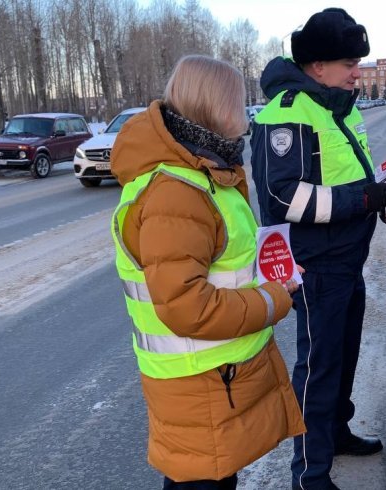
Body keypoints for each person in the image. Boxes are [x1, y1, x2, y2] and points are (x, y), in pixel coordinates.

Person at [110, 55, 305, 489]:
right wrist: (273, 298)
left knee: (215, 480)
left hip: (214, 381)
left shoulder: (206, 174)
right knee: (202, 483)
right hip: (200, 385)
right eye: (239, 102)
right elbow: (186, 307)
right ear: (215, 107)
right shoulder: (176, 193)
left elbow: (224, 261)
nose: (246, 113)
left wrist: (275, 271)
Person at [249, 8, 386, 490]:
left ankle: (335, 433)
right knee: (317, 369)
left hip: (346, 260)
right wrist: (362, 198)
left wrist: (380, 191)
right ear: (317, 65)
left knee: (343, 358)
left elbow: (345, 173)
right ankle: (309, 473)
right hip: (316, 267)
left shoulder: (338, 105)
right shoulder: (290, 111)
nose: (358, 71)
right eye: (348, 62)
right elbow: (283, 196)